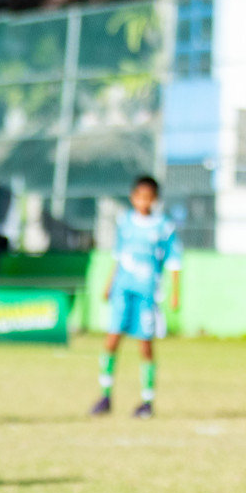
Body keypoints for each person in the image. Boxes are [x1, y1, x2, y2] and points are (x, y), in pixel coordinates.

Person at [92, 176, 180, 419]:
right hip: (123, 289)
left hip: (147, 292)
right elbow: (119, 257)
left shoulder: (164, 226)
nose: (143, 201)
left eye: (148, 197)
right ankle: (105, 396)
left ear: (155, 199)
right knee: (111, 340)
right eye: (139, 196)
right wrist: (109, 284)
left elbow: (174, 261)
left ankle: (147, 401)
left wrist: (175, 293)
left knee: (145, 344)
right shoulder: (126, 223)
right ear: (133, 197)